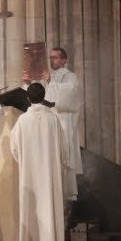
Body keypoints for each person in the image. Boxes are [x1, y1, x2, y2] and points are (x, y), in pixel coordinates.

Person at [11, 83, 67, 241]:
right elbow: (63, 146)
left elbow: (14, 148)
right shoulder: (53, 118)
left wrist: (24, 162)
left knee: (32, 205)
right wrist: (60, 163)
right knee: (48, 202)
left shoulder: (22, 120)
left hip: (29, 171)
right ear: (44, 97)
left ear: (28, 98)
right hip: (49, 171)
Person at [23, 47, 82, 202]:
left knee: (63, 161)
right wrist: (29, 83)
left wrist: (51, 82)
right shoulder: (45, 78)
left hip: (63, 123)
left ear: (64, 60)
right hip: (47, 125)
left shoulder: (71, 77)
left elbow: (70, 98)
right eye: (50, 57)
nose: (51, 60)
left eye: (55, 57)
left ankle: (65, 200)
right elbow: (37, 98)